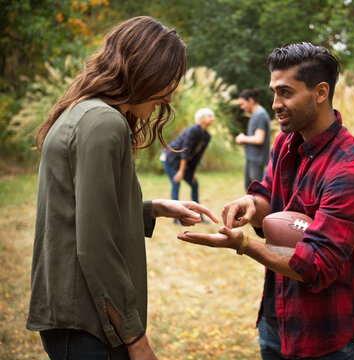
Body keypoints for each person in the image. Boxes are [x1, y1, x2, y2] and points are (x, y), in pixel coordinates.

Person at [27, 16, 218, 360]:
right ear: (145, 70)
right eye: (168, 81)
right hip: (89, 325)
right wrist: (136, 339)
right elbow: (94, 244)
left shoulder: (82, 112)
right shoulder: (104, 122)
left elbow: (79, 211)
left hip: (75, 320)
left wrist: (154, 208)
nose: (170, 94)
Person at [178, 42, 354, 360]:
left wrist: (244, 246)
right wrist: (251, 204)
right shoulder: (286, 141)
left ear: (320, 92)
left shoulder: (351, 166)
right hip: (275, 323)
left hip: (321, 337)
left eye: (285, 92)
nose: (275, 104)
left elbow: (318, 265)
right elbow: (269, 197)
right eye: (274, 91)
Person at [160, 108, 214, 224]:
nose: (212, 118)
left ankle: (199, 216)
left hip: (181, 163)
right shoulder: (193, 130)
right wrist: (181, 171)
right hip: (170, 159)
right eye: (209, 116)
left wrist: (192, 172)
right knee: (176, 182)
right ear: (201, 119)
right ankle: (176, 218)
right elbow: (185, 151)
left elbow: (196, 157)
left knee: (195, 184)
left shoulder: (207, 136)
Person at [236, 88, 271, 190]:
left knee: (256, 191)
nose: (242, 107)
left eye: (242, 104)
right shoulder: (256, 114)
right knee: (249, 190)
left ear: (250, 100)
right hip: (252, 158)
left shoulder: (260, 114)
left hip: (256, 159)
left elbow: (259, 139)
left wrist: (243, 138)